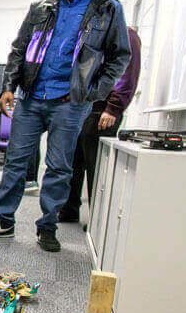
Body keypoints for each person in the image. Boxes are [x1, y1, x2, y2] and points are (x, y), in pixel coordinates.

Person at [0, 0, 131, 252]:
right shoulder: (42, 5)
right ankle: (3, 220)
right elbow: (19, 48)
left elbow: (120, 56)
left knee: (59, 166)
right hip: (32, 96)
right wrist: (8, 87)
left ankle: (47, 226)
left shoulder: (107, 9)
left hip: (70, 102)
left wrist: (92, 92)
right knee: (16, 162)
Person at [60, 26, 141, 222]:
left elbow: (127, 74)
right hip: (80, 110)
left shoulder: (126, 35)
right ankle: (69, 210)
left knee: (96, 169)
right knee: (72, 163)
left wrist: (113, 107)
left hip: (101, 112)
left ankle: (97, 221)